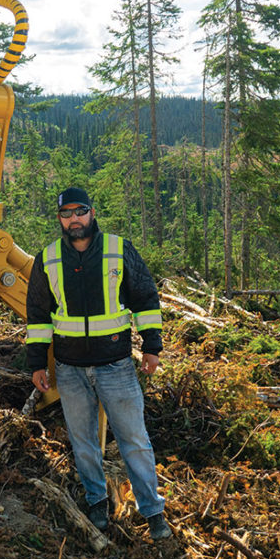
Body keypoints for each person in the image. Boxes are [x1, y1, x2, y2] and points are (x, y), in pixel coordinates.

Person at [25, 187, 170, 540]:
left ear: (92, 213)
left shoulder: (118, 250)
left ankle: (153, 512)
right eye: (66, 213)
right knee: (83, 442)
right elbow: (38, 316)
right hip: (69, 369)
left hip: (115, 366)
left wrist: (152, 345)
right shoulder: (47, 259)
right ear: (59, 218)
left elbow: (145, 297)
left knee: (134, 439)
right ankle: (97, 502)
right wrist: (36, 363)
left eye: (80, 211)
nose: (74, 219)